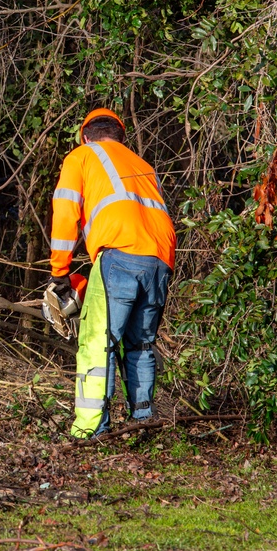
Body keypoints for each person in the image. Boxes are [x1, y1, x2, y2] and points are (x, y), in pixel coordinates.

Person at [47, 108, 176, 438]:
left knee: (96, 343)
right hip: (160, 260)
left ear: (86, 136)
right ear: (121, 137)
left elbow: (64, 212)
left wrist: (60, 272)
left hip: (117, 255)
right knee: (141, 346)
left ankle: (90, 431)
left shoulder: (82, 156)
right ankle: (144, 423)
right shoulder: (143, 166)